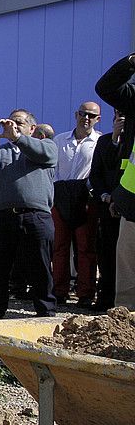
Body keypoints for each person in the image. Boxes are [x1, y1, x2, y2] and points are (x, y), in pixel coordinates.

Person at [0, 109, 58, 319]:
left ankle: (45, 311)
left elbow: (46, 156)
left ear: (32, 129)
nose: (12, 126)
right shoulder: (2, 151)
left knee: (41, 267)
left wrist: (18, 139)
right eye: (10, 122)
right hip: (3, 216)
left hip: (36, 216)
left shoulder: (46, 145)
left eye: (18, 123)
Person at [51, 102, 103, 307]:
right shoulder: (60, 140)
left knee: (86, 247)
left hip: (85, 195)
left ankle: (86, 293)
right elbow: (52, 168)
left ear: (98, 119)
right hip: (61, 193)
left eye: (92, 115)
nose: (86, 118)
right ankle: (59, 291)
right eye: (83, 114)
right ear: (76, 115)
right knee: (60, 246)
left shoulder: (99, 141)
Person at [95, 54, 135, 310]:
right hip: (132, 203)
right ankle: (125, 331)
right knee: (128, 271)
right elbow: (106, 87)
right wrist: (131, 62)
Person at [89, 113, 126, 310]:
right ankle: (106, 298)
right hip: (107, 207)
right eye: (119, 115)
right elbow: (96, 174)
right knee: (106, 254)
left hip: (129, 207)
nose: (122, 119)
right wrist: (104, 196)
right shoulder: (104, 141)